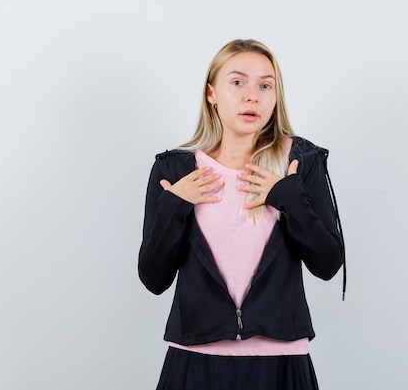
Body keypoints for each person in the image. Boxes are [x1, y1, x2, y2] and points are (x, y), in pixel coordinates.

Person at [138, 39, 345, 390]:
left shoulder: (300, 163)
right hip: (195, 361)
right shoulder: (175, 169)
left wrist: (287, 197)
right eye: (238, 82)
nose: (253, 96)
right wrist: (176, 204)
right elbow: (153, 278)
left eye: (266, 85)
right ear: (211, 93)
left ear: (275, 97)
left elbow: (327, 265)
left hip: (281, 362)